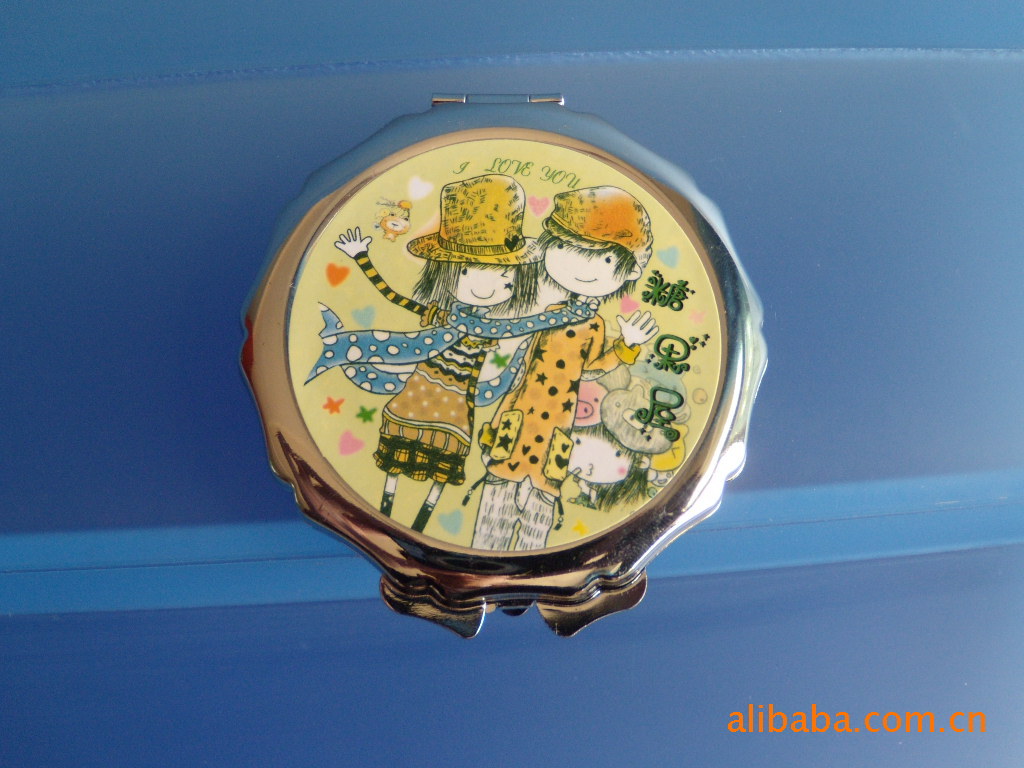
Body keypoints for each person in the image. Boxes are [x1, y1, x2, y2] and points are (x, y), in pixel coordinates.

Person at [308, 174, 591, 531]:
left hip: (456, 406)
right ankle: (389, 520)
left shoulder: (482, 325)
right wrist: (361, 256)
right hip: (421, 394)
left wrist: (567, 315)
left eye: (505, 278)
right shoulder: (450, 318)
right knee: (397, 467)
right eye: (472, 271)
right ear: (448, 272)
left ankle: (417, 529)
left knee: (439, 473)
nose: (490, 286)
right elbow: (393, 296)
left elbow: (521, 326)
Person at [470, 186, 661, 551]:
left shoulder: (594, 325)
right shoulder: (546, 311)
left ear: (626, 270)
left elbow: (593, 367)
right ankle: (481, 555)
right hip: (519, 417)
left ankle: (533, 563)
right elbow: (518, 361)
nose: (582, 267)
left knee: (539, 511)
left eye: (605, 259)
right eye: (567, 248)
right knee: (496, 501)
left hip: (556, 427)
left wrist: (628, 345)